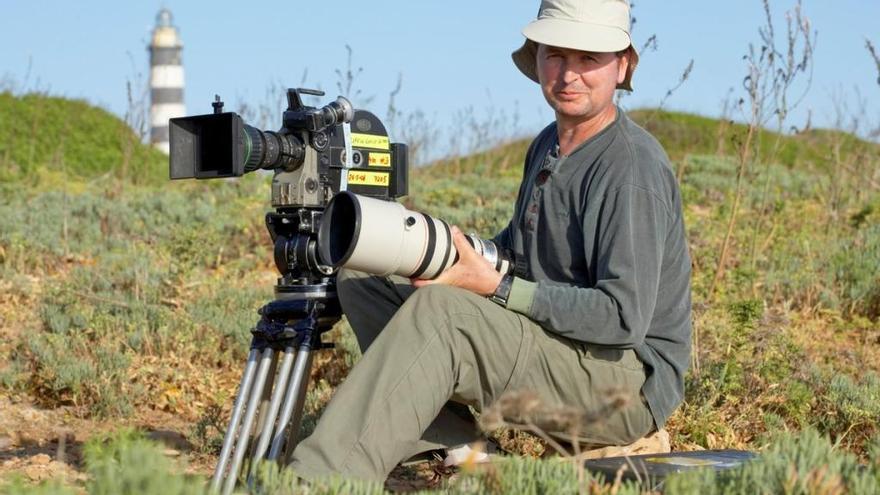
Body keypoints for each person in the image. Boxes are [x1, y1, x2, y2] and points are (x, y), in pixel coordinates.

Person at [290, 0, 691, 482]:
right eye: (556, 55)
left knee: (445, 315)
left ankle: (316, 483)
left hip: (625, 384)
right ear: (536, 57)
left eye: (589, 58)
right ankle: (460, 448)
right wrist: (434, 251)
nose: (569, 74)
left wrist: (494, 289)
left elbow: (622, 318)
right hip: (561, 345)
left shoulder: (630, 167)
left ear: (621, 65)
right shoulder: (548, 143)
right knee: (365, 273)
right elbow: (517, 253)